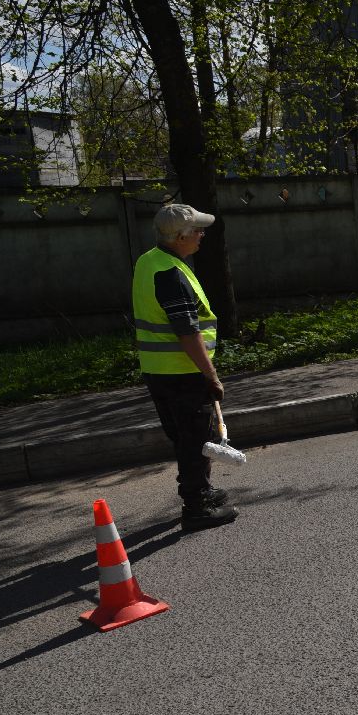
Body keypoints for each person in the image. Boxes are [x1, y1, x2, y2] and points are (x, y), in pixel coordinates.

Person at [132, 203, 238, 531]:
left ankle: (200, 489)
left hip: (160, 369)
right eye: (197, 231)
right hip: (181, 371)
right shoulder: (171, 273)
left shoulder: (150, 261)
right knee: (196, 438)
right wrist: (211, 375)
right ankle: (196, 507)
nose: (202, 235)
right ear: (180, 236)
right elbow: (187, 331)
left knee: (185, 436)